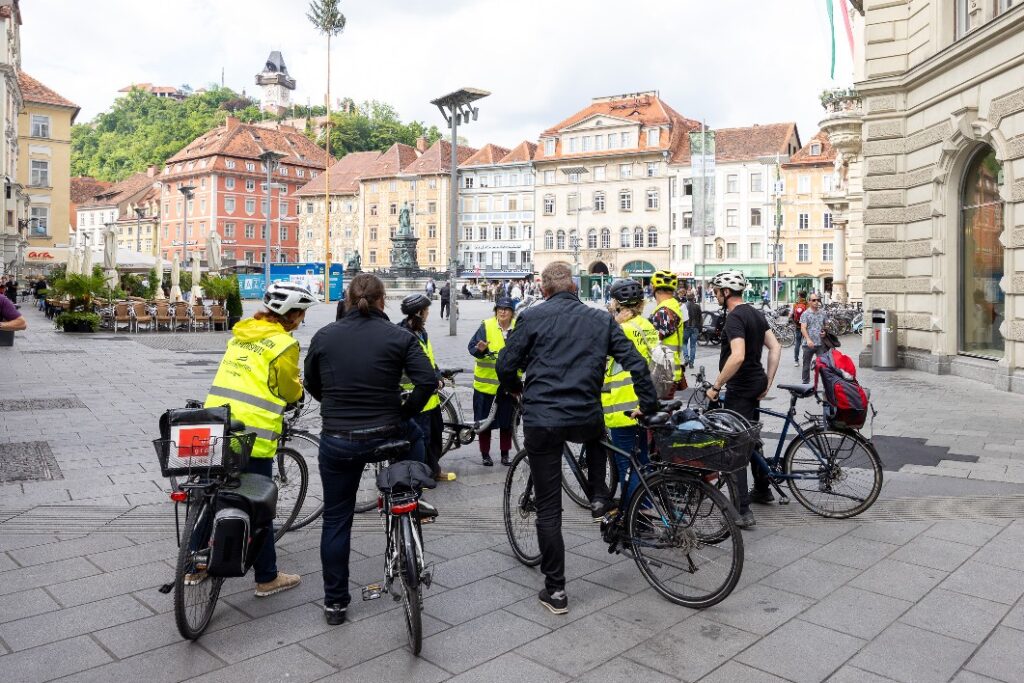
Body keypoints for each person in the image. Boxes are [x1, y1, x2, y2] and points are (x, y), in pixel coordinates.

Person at [497, 263, 659, 615]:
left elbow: (505, 366)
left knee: (549, 508)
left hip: (542, 419)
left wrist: (517, 389)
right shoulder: (600, 319)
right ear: (573, 286)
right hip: (584, 414)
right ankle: (599, 496)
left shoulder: (531, 318)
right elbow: (636, 364)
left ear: (543, 289)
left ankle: (556, 591)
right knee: (595, 434)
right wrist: (649, 405)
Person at [304, 273, 437, 626]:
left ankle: (335, 604)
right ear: (383, 301)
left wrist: (333, 404)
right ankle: (412, 494)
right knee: (417, 437)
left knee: (336, 518)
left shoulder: (324, 336)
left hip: (339, 439)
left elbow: (311, 383)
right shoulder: (399, 336)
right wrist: (405, 411)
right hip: (389, 431)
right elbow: (427, 381)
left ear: (348, 300)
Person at [204, 282, 317, 598]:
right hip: (252, 433)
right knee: (259, 504)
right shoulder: (283, 344)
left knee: (211, 494)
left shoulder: (241, 334)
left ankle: (194, 566)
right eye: (302, 313)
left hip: (216, 422)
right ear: (292, 315)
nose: (303, 319)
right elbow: (289, 390)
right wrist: (297, 390)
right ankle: (267, 577)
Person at [704, 270, 781, 528]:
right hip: (756, 382)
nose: (715, 295)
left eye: (716, 291)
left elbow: (737, 356)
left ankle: (742, 511)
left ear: (726, 293)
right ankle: (762, 488)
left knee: (735, 447)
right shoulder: (756, 313)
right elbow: (776, 347)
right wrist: (767, 381)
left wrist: (716, 386)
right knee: (752, 437)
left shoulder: (735, 318)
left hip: (741, 386)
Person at [603, 279, 660, 504]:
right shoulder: (646, 325)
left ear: (617, 302)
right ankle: (644, 504)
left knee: (627, 464)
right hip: (644, 400)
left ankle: (638, 514)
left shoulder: (618, 328)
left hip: (622, 405)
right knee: (642, 459)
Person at [398, 294, 452, 481]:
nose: (429, 313)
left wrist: (437, 375)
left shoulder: (422, 332)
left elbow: (429, 360)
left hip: (431, 398)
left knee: (435, 438)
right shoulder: (403, 333)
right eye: (427, 310)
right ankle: (421, 478)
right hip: (416, 399)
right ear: (420, 312)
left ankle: (433, 471)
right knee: (421, 441)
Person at [468, 297, 517, 466]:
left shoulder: (518, 327)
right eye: (499, 308)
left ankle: (505, 454)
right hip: (485, 386)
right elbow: (472, 347)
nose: (502, 311)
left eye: (506, 309)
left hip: (508, 386)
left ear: (512, 312)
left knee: (507, 422)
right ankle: (485, 454)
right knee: (484, 423)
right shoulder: (487, 325)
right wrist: (480, 350)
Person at [648, 270, 688, 394]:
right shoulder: (674, 306)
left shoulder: (664, 312)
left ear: (653, 288)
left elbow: (652, 345)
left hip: (663, 375)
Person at [799, 293, 828, 384]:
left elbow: (826, 325)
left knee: (823, 365)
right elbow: (803, 328)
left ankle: (826, 384)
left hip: (820, 344)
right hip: (808, 345)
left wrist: (825, 331)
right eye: (813, 300)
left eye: (817, 300)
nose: (816, 302)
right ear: (809, 302)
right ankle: (805, 383)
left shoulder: (823, 313)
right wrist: (808, 339)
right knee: (806, 365)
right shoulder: (805, 314)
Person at [790, 290, 809, 367]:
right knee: (806, 343)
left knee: (797, 343)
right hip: (805, 327)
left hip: (798, 326)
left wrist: (793, 321)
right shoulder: (807, 305)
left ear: (799, 295)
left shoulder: (795, 304)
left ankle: (796, 360)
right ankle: (805, 359)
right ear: (806, 296)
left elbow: (791, 315)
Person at [683, 293, 701, 369]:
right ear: (693, 298)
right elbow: (700, 318)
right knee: (693, 346)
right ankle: (691, 363)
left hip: (686, 328)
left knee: (684, 343)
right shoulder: (697, 306)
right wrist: (700, 329)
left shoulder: (684, 306)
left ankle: (686, 358)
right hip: (695, 328)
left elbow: (682, 318)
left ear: (687, 298)